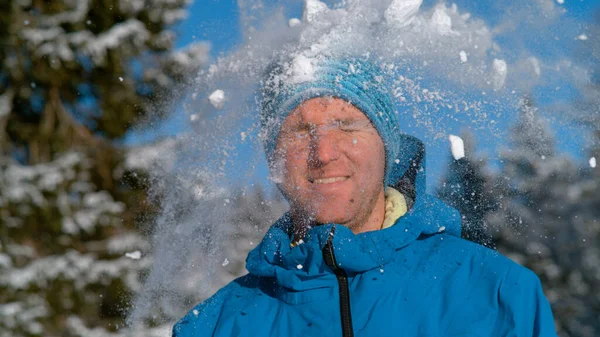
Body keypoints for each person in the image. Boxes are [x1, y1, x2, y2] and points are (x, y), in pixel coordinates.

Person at [172, 57, 557, 336]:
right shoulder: (214, 326)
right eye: (299, 131)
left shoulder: (499, 295)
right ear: (273, 160)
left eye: (346, 125)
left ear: (386, 148)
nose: (322, 153)